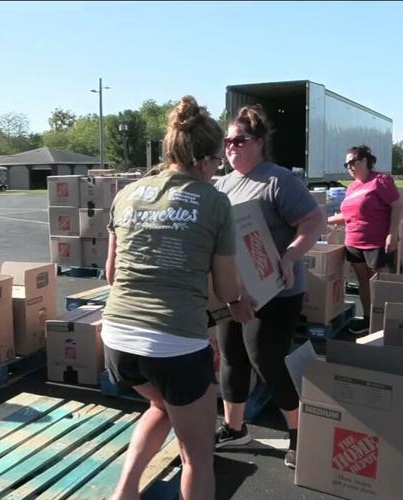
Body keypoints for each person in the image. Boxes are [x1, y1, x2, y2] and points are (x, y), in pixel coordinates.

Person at [101, 96, 254, 500]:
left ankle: (125, 493)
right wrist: (239, 304)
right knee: (197, 458)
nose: (217, 171)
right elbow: (226, 289)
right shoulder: (214, 202)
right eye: (216, 164)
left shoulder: (127, 193)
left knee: (162, 408)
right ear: (205, 161)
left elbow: (111, 273)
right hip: (172, 345)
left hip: (116, 337)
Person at [213, 104, 326, 469]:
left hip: (278, 289)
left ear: (259, 142)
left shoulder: (278, 180)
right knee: (231, 354)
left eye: (239, 140)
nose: (231, 146)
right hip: (235, 289)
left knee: (266, 358)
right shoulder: (222, 184)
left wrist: (290, 257)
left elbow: (312, 220)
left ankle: (298, 433)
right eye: (227, 141)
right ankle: (234, 428)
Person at [327, 145, 402, 334]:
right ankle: (368, 320)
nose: (349, 167)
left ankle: (384, 324)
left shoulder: (381, 180)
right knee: (363, 282)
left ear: (366, 161)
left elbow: (397, 206)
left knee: (380, 284)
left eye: (353, 162)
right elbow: (348, 216)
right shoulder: (351, 188)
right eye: (346, 164)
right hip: (353, 243)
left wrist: (392, 233)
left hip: (376, 242)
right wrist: (324, 220)